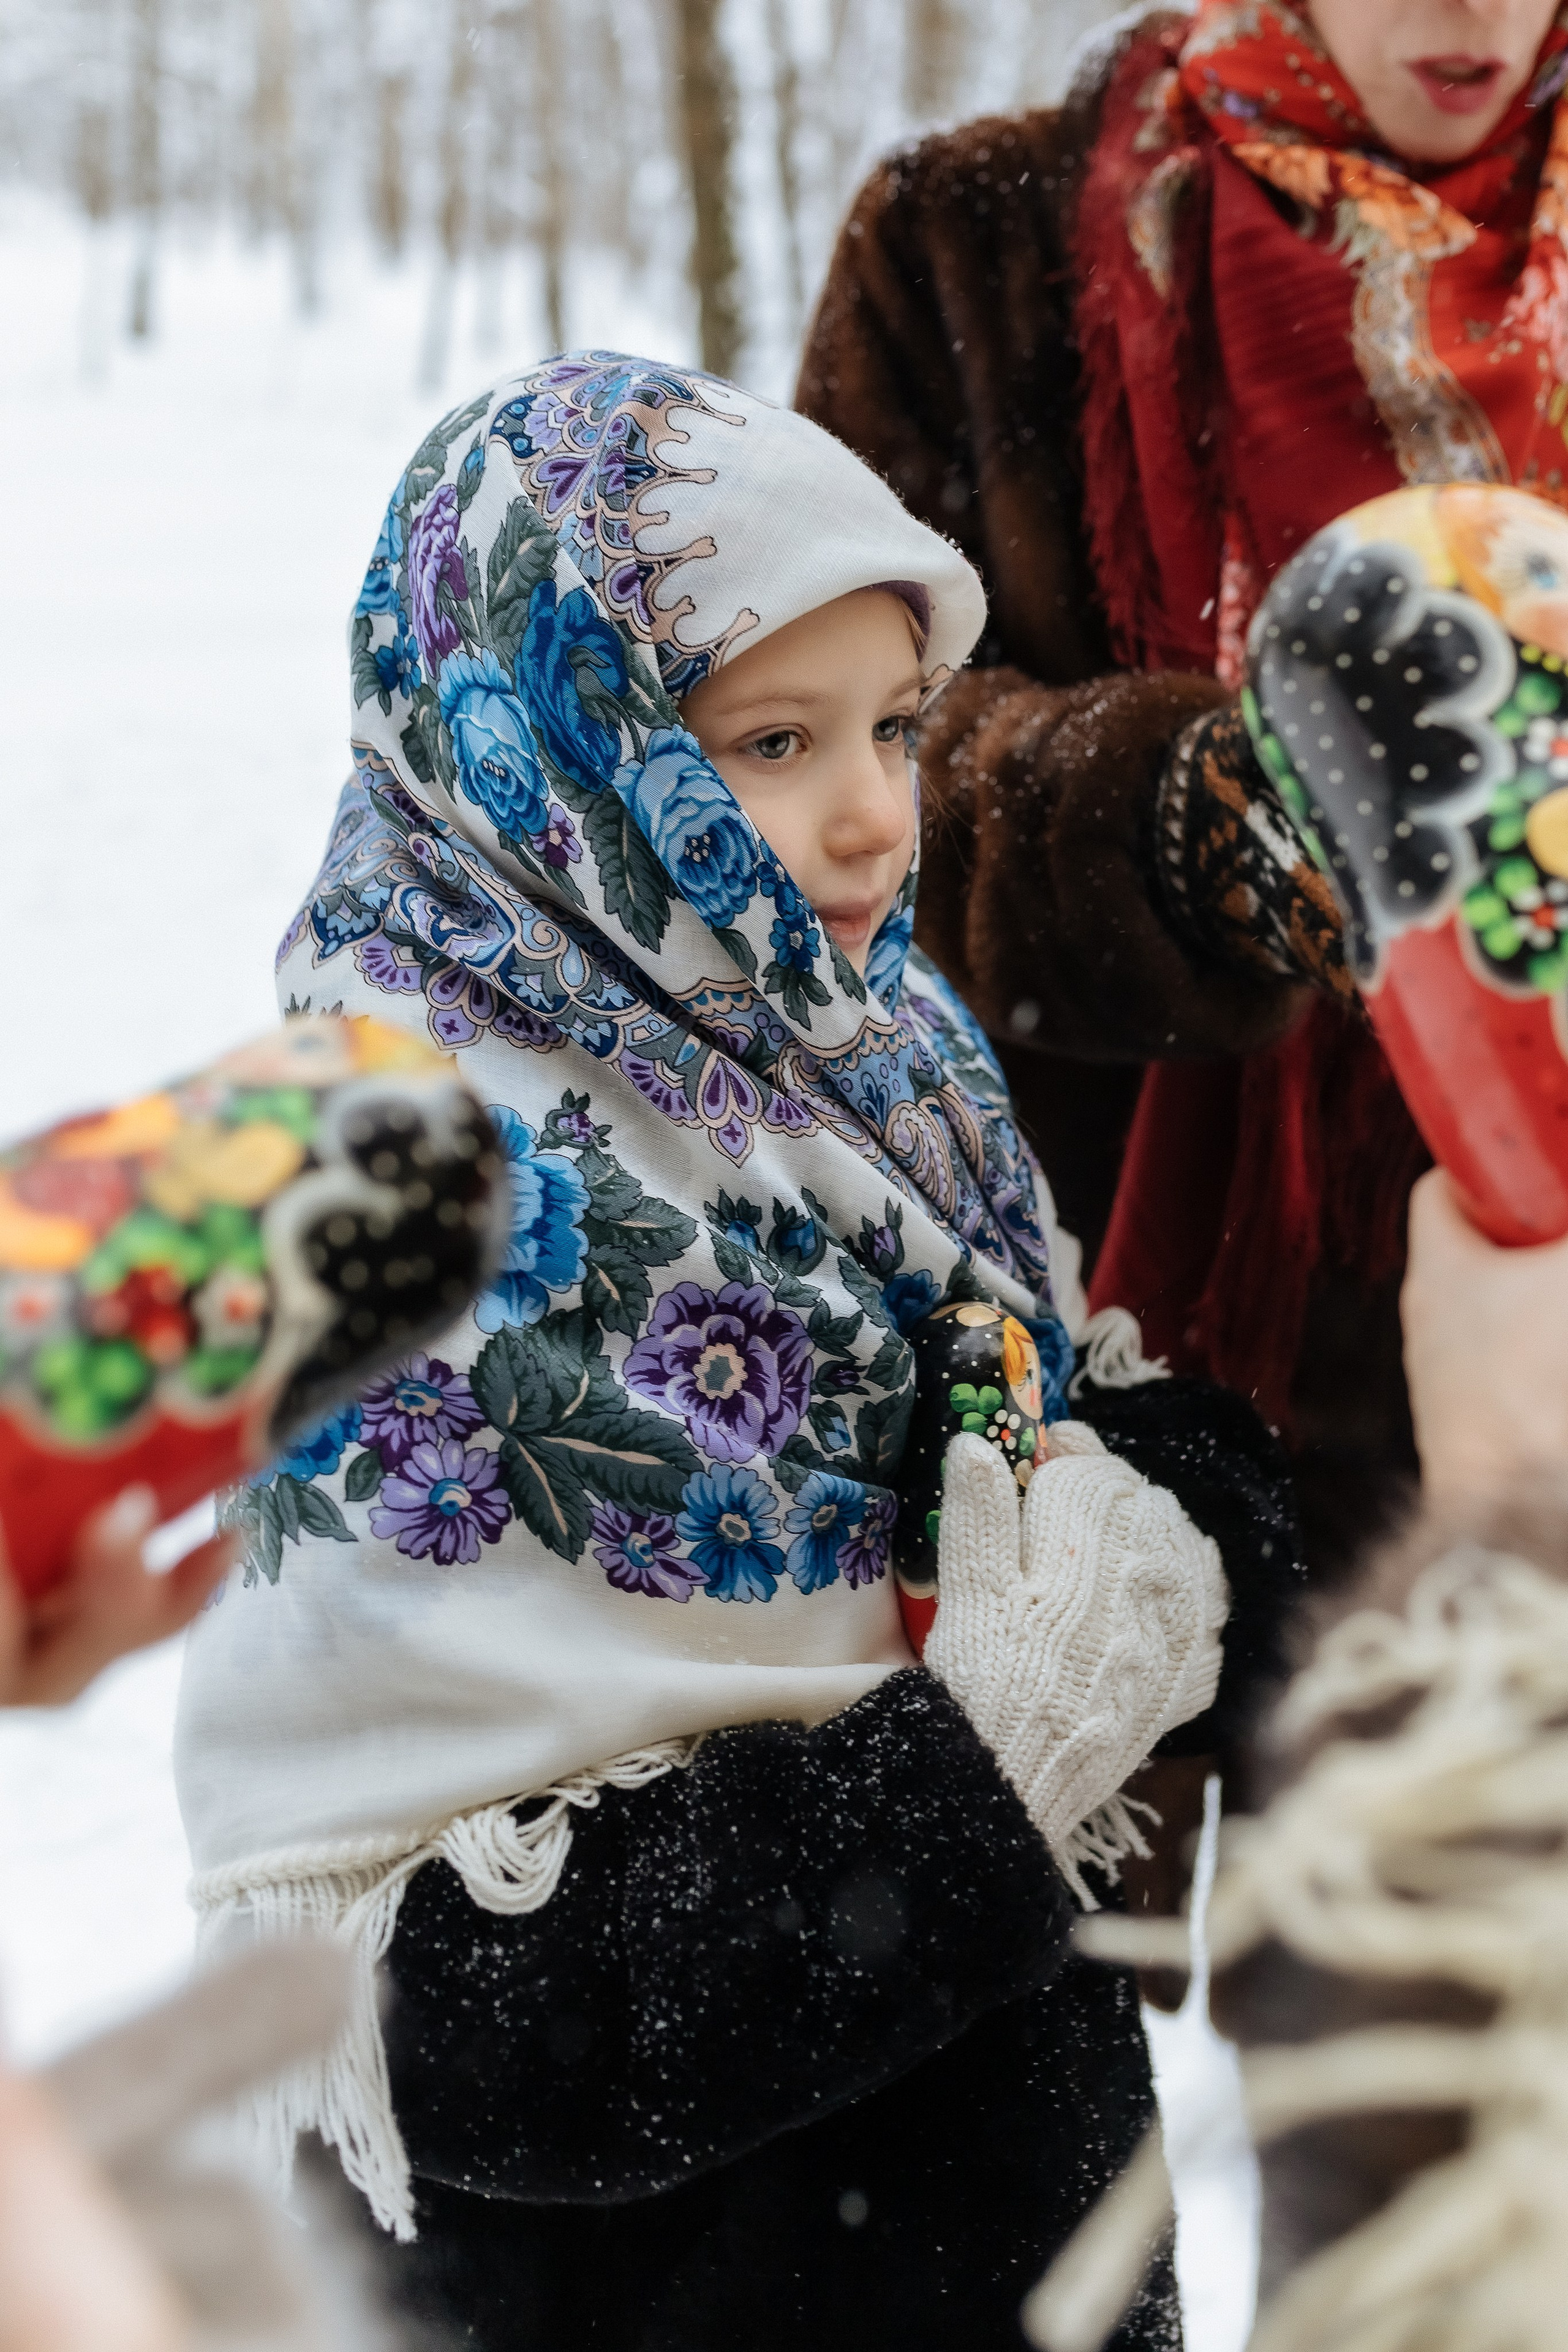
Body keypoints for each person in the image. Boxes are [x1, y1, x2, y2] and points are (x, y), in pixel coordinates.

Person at [172, 352, 1303, 2351]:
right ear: (537, 747)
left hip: (1010, 2224)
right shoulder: (403, 1217)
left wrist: (1181, 1558)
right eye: (772, 743)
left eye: (892, 724)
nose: (878, 816)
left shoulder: (876, 1072)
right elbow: (473, 2049)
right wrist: (996, 1751)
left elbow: (1119, 1450)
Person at [797, 0, 1568, 1585]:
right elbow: (807, 755)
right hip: (1086, 1316)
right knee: (1059, 1792)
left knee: (1463, 1812)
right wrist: (1199, 827)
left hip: (1526, 1334)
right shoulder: (969, 245)